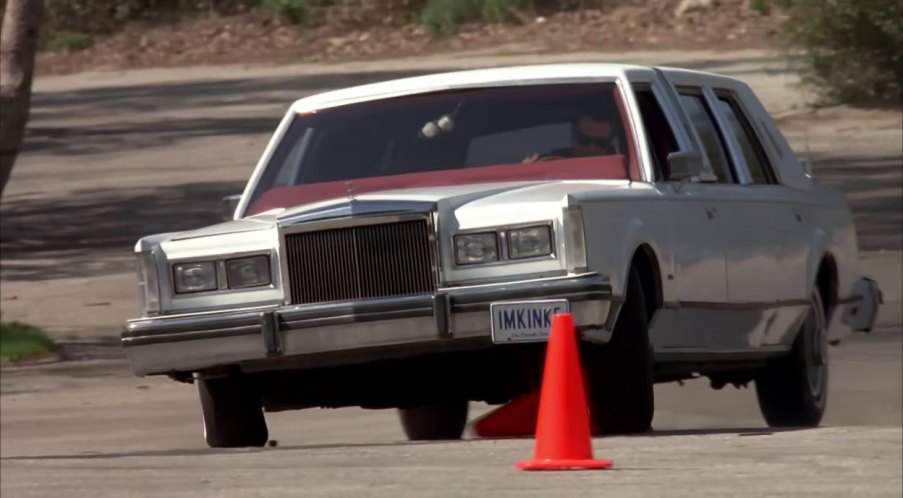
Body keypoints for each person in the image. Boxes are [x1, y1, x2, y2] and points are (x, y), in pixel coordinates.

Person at [523, 113, 620, 162]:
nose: (592, 147)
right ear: (574, 139)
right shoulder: (548, 162)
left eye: (601, 143)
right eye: (584, 140)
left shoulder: (619, 168)